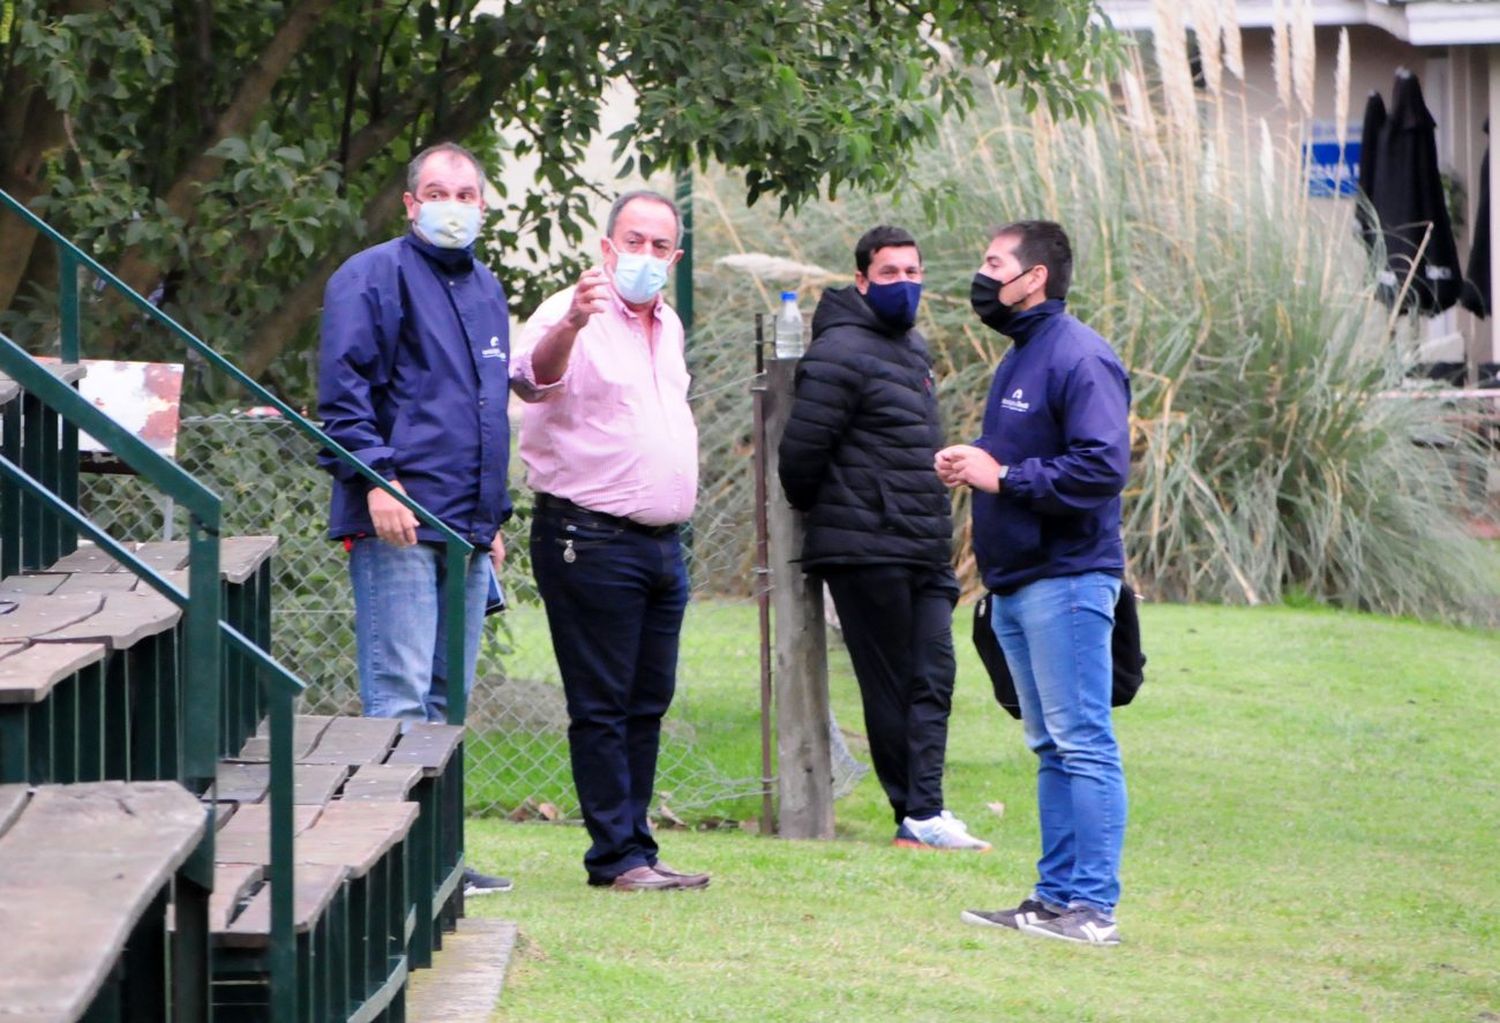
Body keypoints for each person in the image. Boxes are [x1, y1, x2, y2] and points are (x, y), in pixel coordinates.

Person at [318, 141, 552, 896]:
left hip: (467, 531)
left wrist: (493, 518)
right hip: (398, 520)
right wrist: (375, 479)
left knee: (447, 705)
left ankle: (440, 860)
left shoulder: (487, 288)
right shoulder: (369, 276)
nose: (452, 203)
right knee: (399, 695)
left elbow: (485, 411)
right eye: (435, 190)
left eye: (466, 192)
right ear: (410, 204)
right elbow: (344, 391)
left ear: (482, 205)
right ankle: (394, 866)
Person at [937, 220, 1132, 945]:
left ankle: (1093, 909)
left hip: (1069, 578)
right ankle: (1052, 900)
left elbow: (1104, 466)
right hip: (1018, 581)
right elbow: (1026, 456)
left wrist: (1006, 476)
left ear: (1034, 277)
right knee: (1051, 745)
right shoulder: (1023, 353)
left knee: (1083, 740)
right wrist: (977, 458)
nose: (981, 277)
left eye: (993, 264)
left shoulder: (1080, 355)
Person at [511, 190, 710, 892]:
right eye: (635, 241)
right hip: (588, 536)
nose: (646, 257)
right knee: (601, 702)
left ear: (675, 256)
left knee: (646, 699)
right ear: (606, 246)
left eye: (661, 247)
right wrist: (570, 321)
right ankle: (614, 856)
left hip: (660, 544)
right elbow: (531, 381)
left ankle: (639, 848)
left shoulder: (670, 324)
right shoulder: (573, 310)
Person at [777, 225, 990, 852]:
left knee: (933, 675)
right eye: (891, 274)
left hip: (922, 542)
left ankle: (925, 813)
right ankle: (916, 814)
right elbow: (800, 459)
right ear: (863, 281)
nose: (905, 284)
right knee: (893, 680)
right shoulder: (840, 351)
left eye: (913, 273)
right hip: (867, 547)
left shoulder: (911, 348)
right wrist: (855, 505)